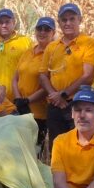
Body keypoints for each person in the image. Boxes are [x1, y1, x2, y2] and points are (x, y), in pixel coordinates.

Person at [39, 3, 94, 153]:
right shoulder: (52, 47)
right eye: (64, 20)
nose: (68, 23)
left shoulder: (89, 43)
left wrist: (63, 94)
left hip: (78, 104)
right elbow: (43, 75)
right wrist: (55, 96)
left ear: (80, 19)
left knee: (80, 148)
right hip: (55, 105)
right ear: (59, 22)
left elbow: (87, 75)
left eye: (72, 19)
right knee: (57, 148)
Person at [12, 17, 55, 149]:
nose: (42, 32)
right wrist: (19, 100)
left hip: (38, 112)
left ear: (53, 33)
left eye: (47, 29)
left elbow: (49, 85)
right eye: (39, 29)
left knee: (35, 151)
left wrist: (27, 101)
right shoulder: (28, 52)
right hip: (20, 109)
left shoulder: (53, 53)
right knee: (18, 149)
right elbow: (15, 78)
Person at [0, 8, 32, 95]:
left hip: (20, 98)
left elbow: (32, 71)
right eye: (0, 22)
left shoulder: (26, 42)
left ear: (14, 22)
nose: (4, 25)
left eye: (7, 22)